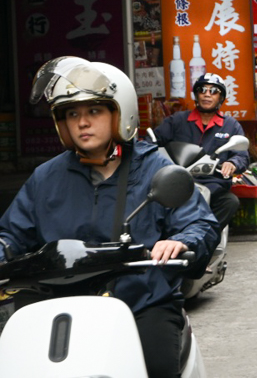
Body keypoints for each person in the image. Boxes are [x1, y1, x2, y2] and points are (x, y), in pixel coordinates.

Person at [0, 57, 218, 378]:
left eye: (94, 111)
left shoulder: (154, 168)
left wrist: (181, 241)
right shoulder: (45, 178)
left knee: (156, 365)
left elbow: (198, 223)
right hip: (57, 302)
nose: (82, 123)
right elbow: (12, 234)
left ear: (120, 113)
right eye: (72, 114)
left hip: (141, 302)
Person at [153, 73, 248, 231]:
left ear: (221, 97)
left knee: (231, 202)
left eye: (213, 91)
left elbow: (242, 155)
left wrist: (232, 163)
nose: (207, 94)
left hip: (213, 186)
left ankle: (206, 236)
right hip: (178, 184)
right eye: (202, 90)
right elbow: (153, 141)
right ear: (196, 94)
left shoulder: (231, 125)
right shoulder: (177, 120)